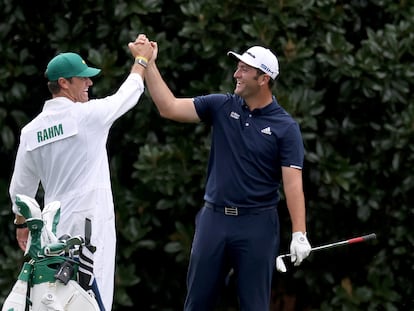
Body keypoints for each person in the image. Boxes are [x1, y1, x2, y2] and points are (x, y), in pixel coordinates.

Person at [143, 40, 312, 310]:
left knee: (254, 306)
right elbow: (169, 107)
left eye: (245, 69)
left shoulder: (285, 127)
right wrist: (148, 63)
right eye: (238, 67)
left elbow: (293, 185)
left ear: (264, 78)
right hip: (214, 221)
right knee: (197, 304)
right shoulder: (221, 106)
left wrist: (299, 233)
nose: (236, 74)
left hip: (258, 225)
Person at [9, 34, 153, 311]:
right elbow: (129, 93)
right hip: (90, 225)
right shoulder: (86, 116)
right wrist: (142, 60)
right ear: (64, 83)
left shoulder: (31, 131)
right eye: (83, 78)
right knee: (93, 301)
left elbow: (21, 191)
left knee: (53, 302)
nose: (89, 83)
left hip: (53, 229)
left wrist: (21, 224)